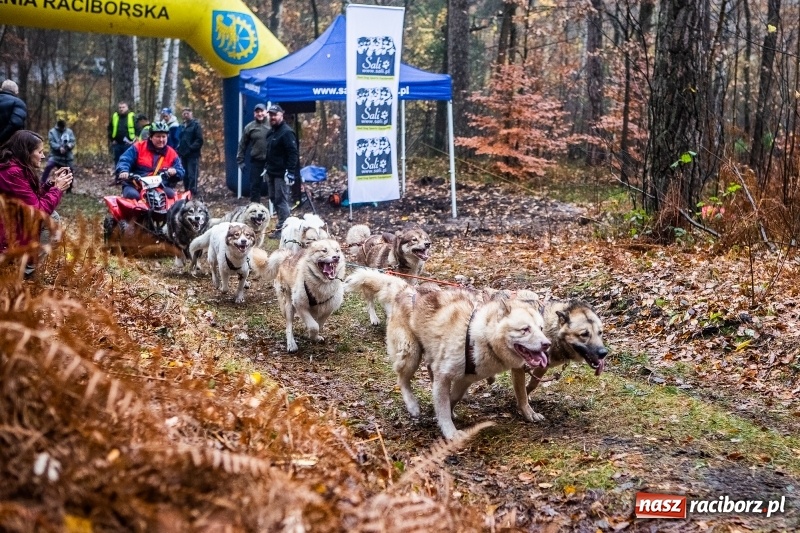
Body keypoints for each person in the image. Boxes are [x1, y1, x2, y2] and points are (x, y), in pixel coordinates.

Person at [0, 130, 72, 273]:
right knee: (51, 220)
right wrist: (57, 189)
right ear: (27, 152)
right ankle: (26, 271)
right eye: (39, 152)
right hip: (6, 236)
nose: (43, 156)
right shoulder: (12, 172)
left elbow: (30, 199)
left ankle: (22, 266)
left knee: (53, 217)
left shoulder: (16, 168)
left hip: (11, 226)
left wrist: (51, 184)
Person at [115, 121, 184, 200]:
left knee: (170, 195)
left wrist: (175, 171)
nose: (161, 140)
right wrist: (124, 171)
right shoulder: (138, 147)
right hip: (135, 185)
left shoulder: (171, 153)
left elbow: (181, 170)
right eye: (158, 136)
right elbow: (125, 160)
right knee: (133, 196)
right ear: (150, 137)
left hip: (159, 186)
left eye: (164, 136)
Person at [262, 104, 298, 237]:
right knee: (273, 198)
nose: (272, 117)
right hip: (271, 172)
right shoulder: (271, 132)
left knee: (281, 200)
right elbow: (270, 152)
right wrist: (266, 167)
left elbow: (293, 153)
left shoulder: (287, 132)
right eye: (270, 115)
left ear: (281, 115)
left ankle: (284, 229)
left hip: (282, 174)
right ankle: (282, 225)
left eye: (275, 115)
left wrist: (290, 172)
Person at [236, 103, 271, 205]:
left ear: (266, 112)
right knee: (255, 187)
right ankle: (255, 208)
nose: (259, 114)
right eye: (257, 112)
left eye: (261, 111)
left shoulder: (272, 125)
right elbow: (242, 144)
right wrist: (240, 161)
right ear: (254, 114)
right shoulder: (249, 127)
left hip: (271, 161)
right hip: (257, 161)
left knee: (273, 186)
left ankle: (275, 208)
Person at [42, 119, 76, 191]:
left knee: (70, 171)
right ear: (58, 126)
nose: (62, 129)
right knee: (48, 166)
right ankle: (41, 184)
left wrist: (69, 145)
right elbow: (51, 143)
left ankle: (69, 190)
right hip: (55, 156)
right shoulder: (52, 132)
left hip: (67, 157)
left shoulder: (69, 132)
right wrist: (59, 148)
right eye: (61, 128)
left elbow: (73, 141)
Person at [177, 107, 203, 197]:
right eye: (184, 113)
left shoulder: (196, 125)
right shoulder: (182, 126)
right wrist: (179, 149)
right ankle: (186, 191)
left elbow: (199, 140)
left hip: (193, 154)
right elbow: (179, 138)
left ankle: (193, 192)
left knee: (192, 174)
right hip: (183, 154)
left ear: (191, 114)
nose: (186, 115)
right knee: (185, 174)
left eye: (187, 113)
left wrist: (191, 148)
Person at [0, 79, 28, 145]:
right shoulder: (18, 103)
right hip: (9, 144)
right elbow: (16, 124)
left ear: (1, 89)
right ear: (16, 91)